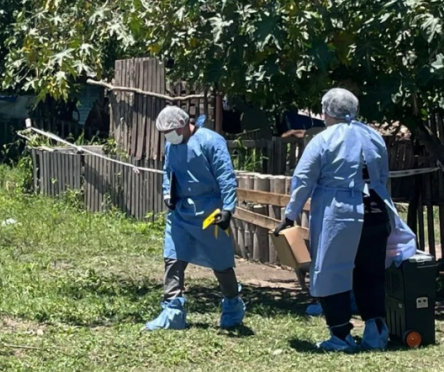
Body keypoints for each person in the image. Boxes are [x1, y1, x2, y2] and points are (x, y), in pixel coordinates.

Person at [276, 88, 417, 352]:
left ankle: (340, 336)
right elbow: (382, 176)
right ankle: (376, 334)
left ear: (327, 111)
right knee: (371, 274)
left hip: (340, 213)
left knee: (331, 272)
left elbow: (304, 179)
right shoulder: (374, 137)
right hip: (377, 211)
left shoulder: (323, 140)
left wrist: (289, 214)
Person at [146, 106, 245, 330]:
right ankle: (173, 311)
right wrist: (167, 194)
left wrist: (228, 209)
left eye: (170, 131)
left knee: (221, 264)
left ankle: (233, 306)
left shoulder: (211, 141)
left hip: (210, 212)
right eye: (164, 133)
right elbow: (168, 171)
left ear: (184, 125)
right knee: (173, 257)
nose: (168, 136)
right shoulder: (171, 144)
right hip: (181, 211)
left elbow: (226, 176)